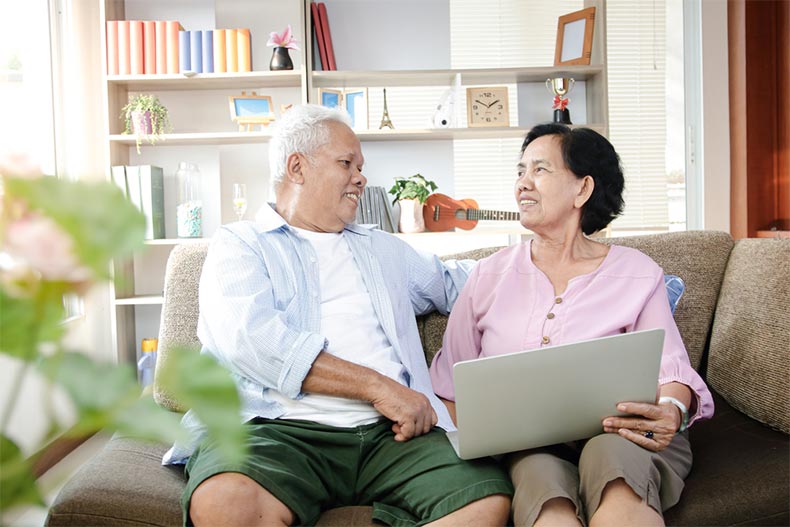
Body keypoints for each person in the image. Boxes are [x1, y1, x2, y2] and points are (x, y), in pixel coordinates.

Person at [162, 104, 513, 527]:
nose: (361, 177)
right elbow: (253, 341)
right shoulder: (241, 245)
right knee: (223, 503)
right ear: (297, 167)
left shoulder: (382, 247)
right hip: (275, 431)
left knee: (486, 500)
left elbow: (465, 282)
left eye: (361, 166)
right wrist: (379, 387)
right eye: (347, 163)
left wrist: (551, 253)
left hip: (393, 436)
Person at [429, 123, 714, 527]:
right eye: (520, 171)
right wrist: (483, 445)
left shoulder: (636, 272)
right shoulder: (488, 275)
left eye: (540, 170)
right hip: (530, 447)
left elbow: (671, 369)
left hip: (623, 436)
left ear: (582, 189)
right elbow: (449, 381)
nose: (523, 184)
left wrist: (670, 410)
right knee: (538, 478)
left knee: (610, 457)